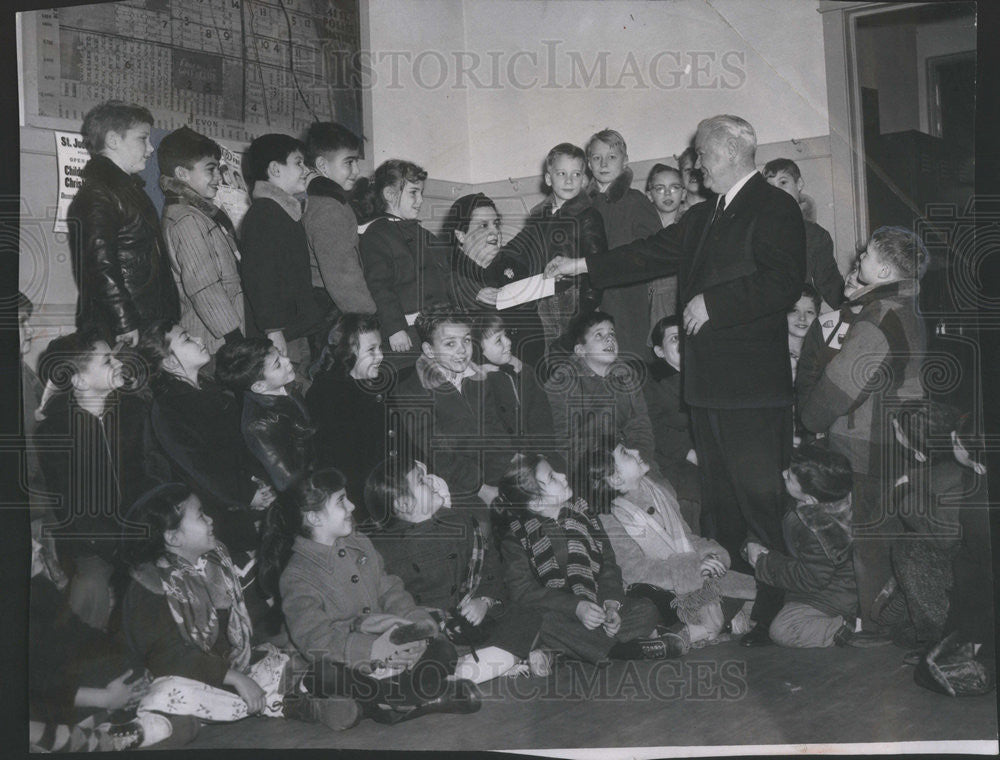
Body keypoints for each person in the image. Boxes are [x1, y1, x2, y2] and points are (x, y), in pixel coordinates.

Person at [546, 114, 806, 647]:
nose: (695, 164)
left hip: (751, 388)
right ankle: (731, 597)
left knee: (760, 498)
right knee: (721, 501)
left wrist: (716, 300)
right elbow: (650, 254)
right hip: (709, 386)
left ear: (731, 151)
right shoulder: (707, 213)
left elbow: (783, 282)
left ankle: (781, 602)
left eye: (703, 154)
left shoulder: (773, 206)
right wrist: (582, 267)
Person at [121, 483, 361, 742]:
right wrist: (233, 677)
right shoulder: (150, 586)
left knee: (287, 662)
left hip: (237, 671)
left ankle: (297, 702)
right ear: (173, 537)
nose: (211, 520)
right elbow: (167, 656)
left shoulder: (219, 562)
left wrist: (287, 640)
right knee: (169, 693)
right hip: (193, 677)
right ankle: (152, 728)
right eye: (201, 515)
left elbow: (250, 621)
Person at [261, 468, 483, 723]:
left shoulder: (360, 543)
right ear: (314, 518)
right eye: (342, 501)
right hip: (344, 659)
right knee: (327, 674)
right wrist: (371, 651)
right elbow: (314, 638)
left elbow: (390, 590)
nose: (353, 506)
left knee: (443, 649)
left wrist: (416, 627)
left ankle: (383, 703)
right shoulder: (297, 575)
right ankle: (418, 698)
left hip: (387, 647)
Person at [797, 226, 928, 635]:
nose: (859, 258)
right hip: (893, 441)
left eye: (868, 254)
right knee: (885, 537)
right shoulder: (905, 307)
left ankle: (873, 629)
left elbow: (842, 386)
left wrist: (809, 421)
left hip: (865, 445)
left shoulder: (879, 316)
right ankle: (889, 619)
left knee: (870, 545)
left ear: (885, 269)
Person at [365, 457, 545, 683]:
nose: (431, 482)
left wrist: (483, 600)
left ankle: (465, 671)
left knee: (527, 615)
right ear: (404, 504)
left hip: (474, 620)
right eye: (421, 481)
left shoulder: (462, 522)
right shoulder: (384, 549)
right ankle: (482, 665)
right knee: (420, 645)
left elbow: (490, 568)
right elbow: (387, 599)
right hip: (429, 627)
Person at [496, 454, 683, 664]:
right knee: (541, 623)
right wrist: (576, 607)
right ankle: (623, 650)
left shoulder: (586, 516)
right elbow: (523, 592)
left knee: (646, 609)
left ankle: (578, 650)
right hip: (560, 612)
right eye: (552, 477)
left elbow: (608, 566)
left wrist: (611, 606)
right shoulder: (516, 539)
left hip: (596, 607)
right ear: (537, 503)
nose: (562, 476)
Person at [577, 438, 757, 647]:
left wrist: (710, 556)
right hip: (657, 590)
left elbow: (687, 538)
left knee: (759, 593)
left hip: (689, 576)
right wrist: (695, 568)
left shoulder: (658, 490)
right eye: (626, 454)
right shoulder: (611, 518)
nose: (636, 451)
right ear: (615, 479)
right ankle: (693, 629)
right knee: (654, 610)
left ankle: (709, 626)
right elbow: (636, 571)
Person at [35, 329, 159, 631]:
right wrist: (120, 548)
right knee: (90, 588)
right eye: (107, 361)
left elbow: (154, 474)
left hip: (145, 524)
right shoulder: (55, 433)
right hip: (95, 542)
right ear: (79, 381)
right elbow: (73, 511)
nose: (118, 364)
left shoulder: (134, 410)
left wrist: (154, 527)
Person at [139, 320, 274, 570]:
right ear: (169, 362)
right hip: (217, 509)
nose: (200, 340)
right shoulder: (168, 407)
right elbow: (199, 467)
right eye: (187, 339)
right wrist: (247, 493)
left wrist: (262, 480)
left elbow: (245, 443)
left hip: (249, 492)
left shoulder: (210, 388)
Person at [68, 101, 180, 347]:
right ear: (113, 140)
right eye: (143, 138)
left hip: (146, 322)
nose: (150, 149)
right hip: (125, 327)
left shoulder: (129, 191)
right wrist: (124, 322)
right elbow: (100, 266)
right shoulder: (97, 194)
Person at [390, 306, 511, 507]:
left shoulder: (477, 376)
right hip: (457, 487)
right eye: (450, 344)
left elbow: (494, 427)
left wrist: (510, 464)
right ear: (429, 350)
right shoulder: (412, 391)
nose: (462, 350)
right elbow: (438, 453)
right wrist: (481, 488)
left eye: (466, 340)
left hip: (495, 470)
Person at [745, 444, 858, 649]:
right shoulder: (818, 499)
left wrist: (763, 562)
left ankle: (849, 628)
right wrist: (755, 541)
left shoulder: (821, 529)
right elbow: (768, 522)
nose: (782, 473)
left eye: (789, 477)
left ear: (811, 499)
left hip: (832, 595)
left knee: (783, 630)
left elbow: (811, 578)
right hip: (816, 580)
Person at [503, 143, 607, 353]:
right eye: (562, 173)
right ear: (549, 178)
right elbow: (523, 250)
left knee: (573, 353)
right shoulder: (539, 216)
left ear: (584, 179)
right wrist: (504, 265)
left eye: (576, 174)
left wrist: (585, 311)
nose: (569, 180)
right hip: (542, 295)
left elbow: (598, 265)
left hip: (574, 297)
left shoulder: (588, 216)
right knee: (550, 353)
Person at [240, 134, 325, 387]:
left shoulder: (282, 211)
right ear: (275, 169)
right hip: (284, 335)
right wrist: (272, 330)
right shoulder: (264, 213)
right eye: (298, 163)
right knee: (293, 390)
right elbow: (260, 278)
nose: (305, 170)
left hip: (295, 329)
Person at [156, 126, 245, 361]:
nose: (218, 177)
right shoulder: (186, 219)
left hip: (220, 338)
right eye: (210, 170)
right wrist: (234, 337)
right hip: (214, 342)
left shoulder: (198, 214)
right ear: (182, 174)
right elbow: (204, 285)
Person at [544, 310, 658, 480]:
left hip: (631, 460)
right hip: (591, 470)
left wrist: (639, 461)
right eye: (599, 335)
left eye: (612, 333)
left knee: (664, 496)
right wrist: (608, 470)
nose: (610, 339)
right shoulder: (562, 383)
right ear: (580, 350)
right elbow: (566, 443)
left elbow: (640, 426)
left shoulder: (626, 374)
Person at [358, 159, 452, 361]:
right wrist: (394, 328)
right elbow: (379, 287)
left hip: (437, 327)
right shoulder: (376, 234)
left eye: (421, 193)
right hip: (406, 332)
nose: (420, 200)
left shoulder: (423, 234)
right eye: (413, 193)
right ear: (390, 194)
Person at [305, 313, 394, 518]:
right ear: (348, 352)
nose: (380, 356)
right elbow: (343, 465)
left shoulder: (377, 380)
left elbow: (397, 433)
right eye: (371, 350)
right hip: (367, 500)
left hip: (392, 483)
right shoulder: (326, 396)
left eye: (380, 348)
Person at [585, 129, 662, 363]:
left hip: (628, 298)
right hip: (588, 298)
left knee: (629, 357)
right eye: (597, 158)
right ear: (588, 163)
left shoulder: (635, 201)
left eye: (612, 157)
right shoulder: (582, 206)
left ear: (625, 161)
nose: (604, 163)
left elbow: (656, 250)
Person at [441, 193, 546, 365]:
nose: (495, 231)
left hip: (530, 368)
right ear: (461, 235)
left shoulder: (513, 264)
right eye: (483, 226)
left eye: (496, 224)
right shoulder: (449, 273)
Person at [215, 337, 316, 494]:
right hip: (308, 482)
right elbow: (287, 480)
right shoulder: (258, 425)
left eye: (281, 354)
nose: (287, 360)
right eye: (277, 364)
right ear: (260, 386)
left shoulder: (283, 384)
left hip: (315, 462)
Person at [301, 121, 378, 316]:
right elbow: (343, 276)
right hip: (333, 311)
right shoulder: (329, 208)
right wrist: (367, 318)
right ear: (322, 165)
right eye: (349, 162)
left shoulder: (319, 200)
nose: (356, 170)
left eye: (357, 162)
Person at [473, 312, 559, 467]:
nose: (508, 342)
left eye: (506, 335)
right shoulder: (480, 384)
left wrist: (542, 454)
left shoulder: (525, 372)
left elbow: (541, 416)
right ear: (480, 350)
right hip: (506, 461)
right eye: (499, 340)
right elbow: (489, 431)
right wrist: (512, 458)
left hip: (539, 455)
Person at [643, 315, 700, 529]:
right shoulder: (651, 381)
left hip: (708, 454)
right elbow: (653, 427)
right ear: (659, 352)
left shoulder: (706, 374)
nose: (684, 344)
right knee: (689, 497)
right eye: (676, 339)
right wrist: (689, 452)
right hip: (673, 459)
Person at [763, 158, 844, 309]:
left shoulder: (817, 236)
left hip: (800, 315)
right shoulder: (758, 230)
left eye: (783, 182)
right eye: (770, 187)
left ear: (799, 184)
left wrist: (849, 310)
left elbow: (830, 282)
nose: (777, 191)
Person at [644, 164, 686, 331]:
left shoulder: (691, 224)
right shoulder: (643, 227)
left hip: (677, 300)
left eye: (674, 188)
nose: (668, 193)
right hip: (646, 302)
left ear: (683, 193)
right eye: (660, 189)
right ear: (649, 195)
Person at [788, 284, 821, 382]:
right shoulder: (768, 352)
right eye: (795, 310)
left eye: (809, 312)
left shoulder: (816, 357)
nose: (802, 318)